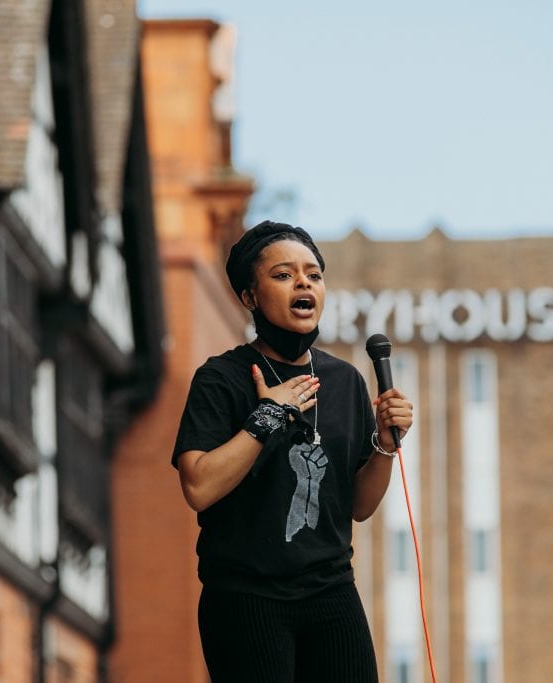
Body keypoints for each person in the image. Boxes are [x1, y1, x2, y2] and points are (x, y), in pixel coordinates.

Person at [172, 220, 414, 682]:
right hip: (245, 595)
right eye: (283, 275)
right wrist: (267, 416)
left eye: (313, 275)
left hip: (330, 590)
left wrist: (383, 444)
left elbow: (359, 506)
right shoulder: (221, 379)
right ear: (249, 297)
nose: (303, 283)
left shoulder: (345, 381)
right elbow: (199, 486)